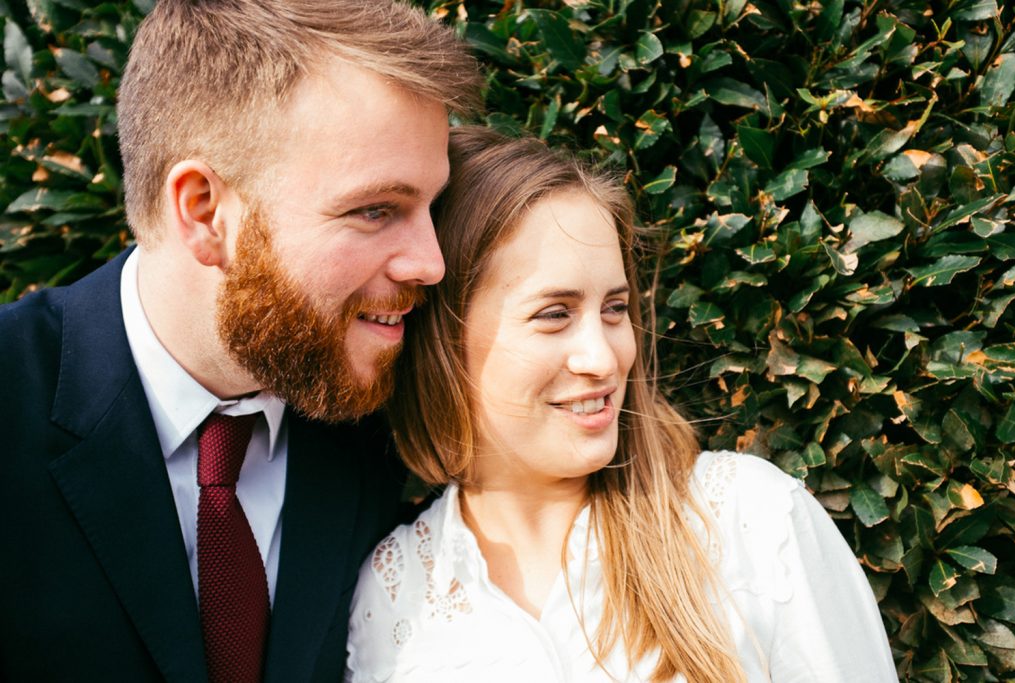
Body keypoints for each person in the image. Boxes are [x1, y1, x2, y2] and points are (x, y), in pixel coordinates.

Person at [0, 1, 479, 681]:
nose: (430, 263)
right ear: (204, 211)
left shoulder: (394, 405)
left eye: (432, 206)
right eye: (376, 210)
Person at [345, 127, 898, 682]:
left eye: (614, 309)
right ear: (442, 339)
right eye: (554, 314)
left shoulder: (751, 522)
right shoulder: (393, 596)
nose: (603, 358)